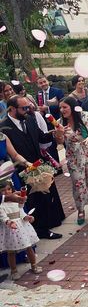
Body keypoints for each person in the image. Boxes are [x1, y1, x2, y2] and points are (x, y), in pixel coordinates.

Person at [0, 96, 65, 239]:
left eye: (28, 107)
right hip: (19, 170)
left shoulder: (29, 119)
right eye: (24, 108)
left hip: (38, 165)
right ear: (12, 109)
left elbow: (41, 138)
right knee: (29, 201)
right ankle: (34, 231)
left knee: (43, 199)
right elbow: (13, 154)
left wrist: (55, 134)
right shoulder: (4, 127)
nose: (28, 110)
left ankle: (44, 228)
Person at [54, 97, 88, 225]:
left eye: (65, 107)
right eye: (60, 108)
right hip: (74, 157)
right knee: (78, 184)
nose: (62, 110)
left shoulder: (85, 116)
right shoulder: (59, 122)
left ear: (72, 107)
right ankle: (81, 209)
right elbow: (60, 143)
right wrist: (59, 134)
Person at [0, 180, 41, 280]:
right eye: (3, 191)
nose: (7, 192)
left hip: (21, 227)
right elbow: (2, 216)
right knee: (11, 251)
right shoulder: (1, 204)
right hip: (9, 229)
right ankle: (13, 270)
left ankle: (34, 264)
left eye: (9, 189)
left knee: (29, 247)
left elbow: (21, 211)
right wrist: (9, 222)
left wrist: (27, 217)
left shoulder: (16, 200)